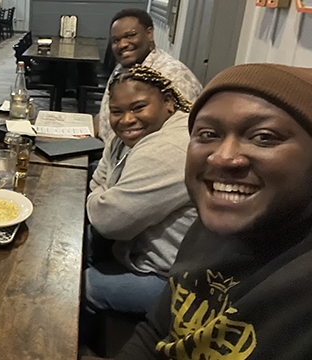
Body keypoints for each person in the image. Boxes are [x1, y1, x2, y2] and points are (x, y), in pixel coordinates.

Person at [115, 64, 312, 359]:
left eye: (264, 137)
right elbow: (156, 332)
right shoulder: (210, 227)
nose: (224, 157)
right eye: (208, 134)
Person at [84, 65, 197, 316]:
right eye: (116, 111)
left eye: (138, 108)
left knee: (76, 288)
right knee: (72, 247)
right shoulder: (128, 137)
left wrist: (101, 196)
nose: (126, 119)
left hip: (173, 279)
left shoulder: (169, 148)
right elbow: (99, 177)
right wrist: (103, 195)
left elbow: (109, 220)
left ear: (168, 102)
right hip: (133, 247)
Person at [95, 8, 202, 141]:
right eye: (116, 40)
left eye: (130, 35)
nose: (122, 44)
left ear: (149, 33)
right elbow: (107, 111)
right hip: (107, 149)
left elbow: (182, 134)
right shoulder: (124, 68)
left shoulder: (172, 76)